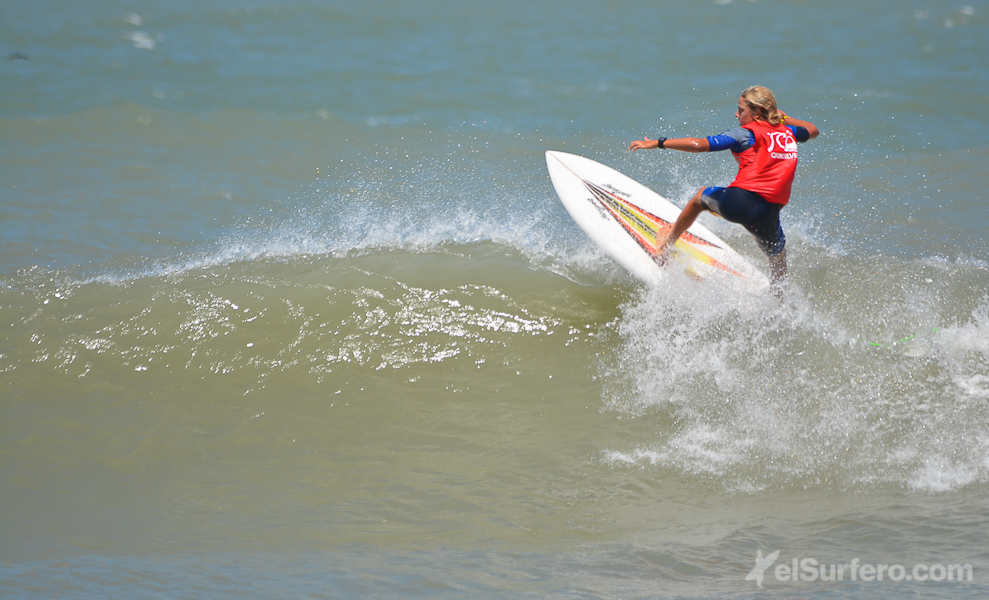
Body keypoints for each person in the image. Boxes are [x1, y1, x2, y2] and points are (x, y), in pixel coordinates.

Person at [629, 86, 819, 294]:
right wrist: (784, 118)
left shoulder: (744, 134)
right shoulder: (789, 133)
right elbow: (813, 130)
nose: (736, 114)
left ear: (757, 113)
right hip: (768, 214)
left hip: (739, 202)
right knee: (778, 255)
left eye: (741, 110)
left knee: (700, 197)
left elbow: (698, 144)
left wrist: (659, 143)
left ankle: (667, 244)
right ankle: (779, 301)